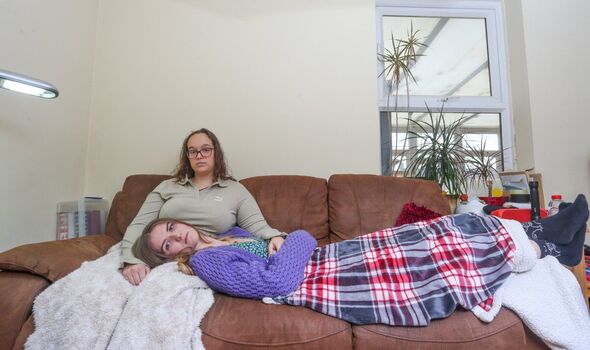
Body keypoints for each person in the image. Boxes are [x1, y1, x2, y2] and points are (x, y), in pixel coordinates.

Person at [132, 194, 589, 326]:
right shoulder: (208, 264)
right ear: (167, 258)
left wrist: (285, 242)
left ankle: (541, 237)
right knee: (427, 255)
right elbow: (276, 281)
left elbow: (275, 250)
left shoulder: (226, 237)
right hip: (315, 273)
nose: (175, 238)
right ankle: (543, 242)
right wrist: (295, 237)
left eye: (171, 228)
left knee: (426, 230)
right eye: (166, 245)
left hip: (321, 257)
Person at [121, 128, 286, 285]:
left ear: (216, 153)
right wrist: (131, 260)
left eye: (206, 149)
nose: (199, 155)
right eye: (193, 151)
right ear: (187, 156)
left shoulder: (235, 190)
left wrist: (274, 237)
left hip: (207, 258)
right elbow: (139, 224)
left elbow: (257, 225)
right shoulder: (167, 186)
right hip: (169, 258)